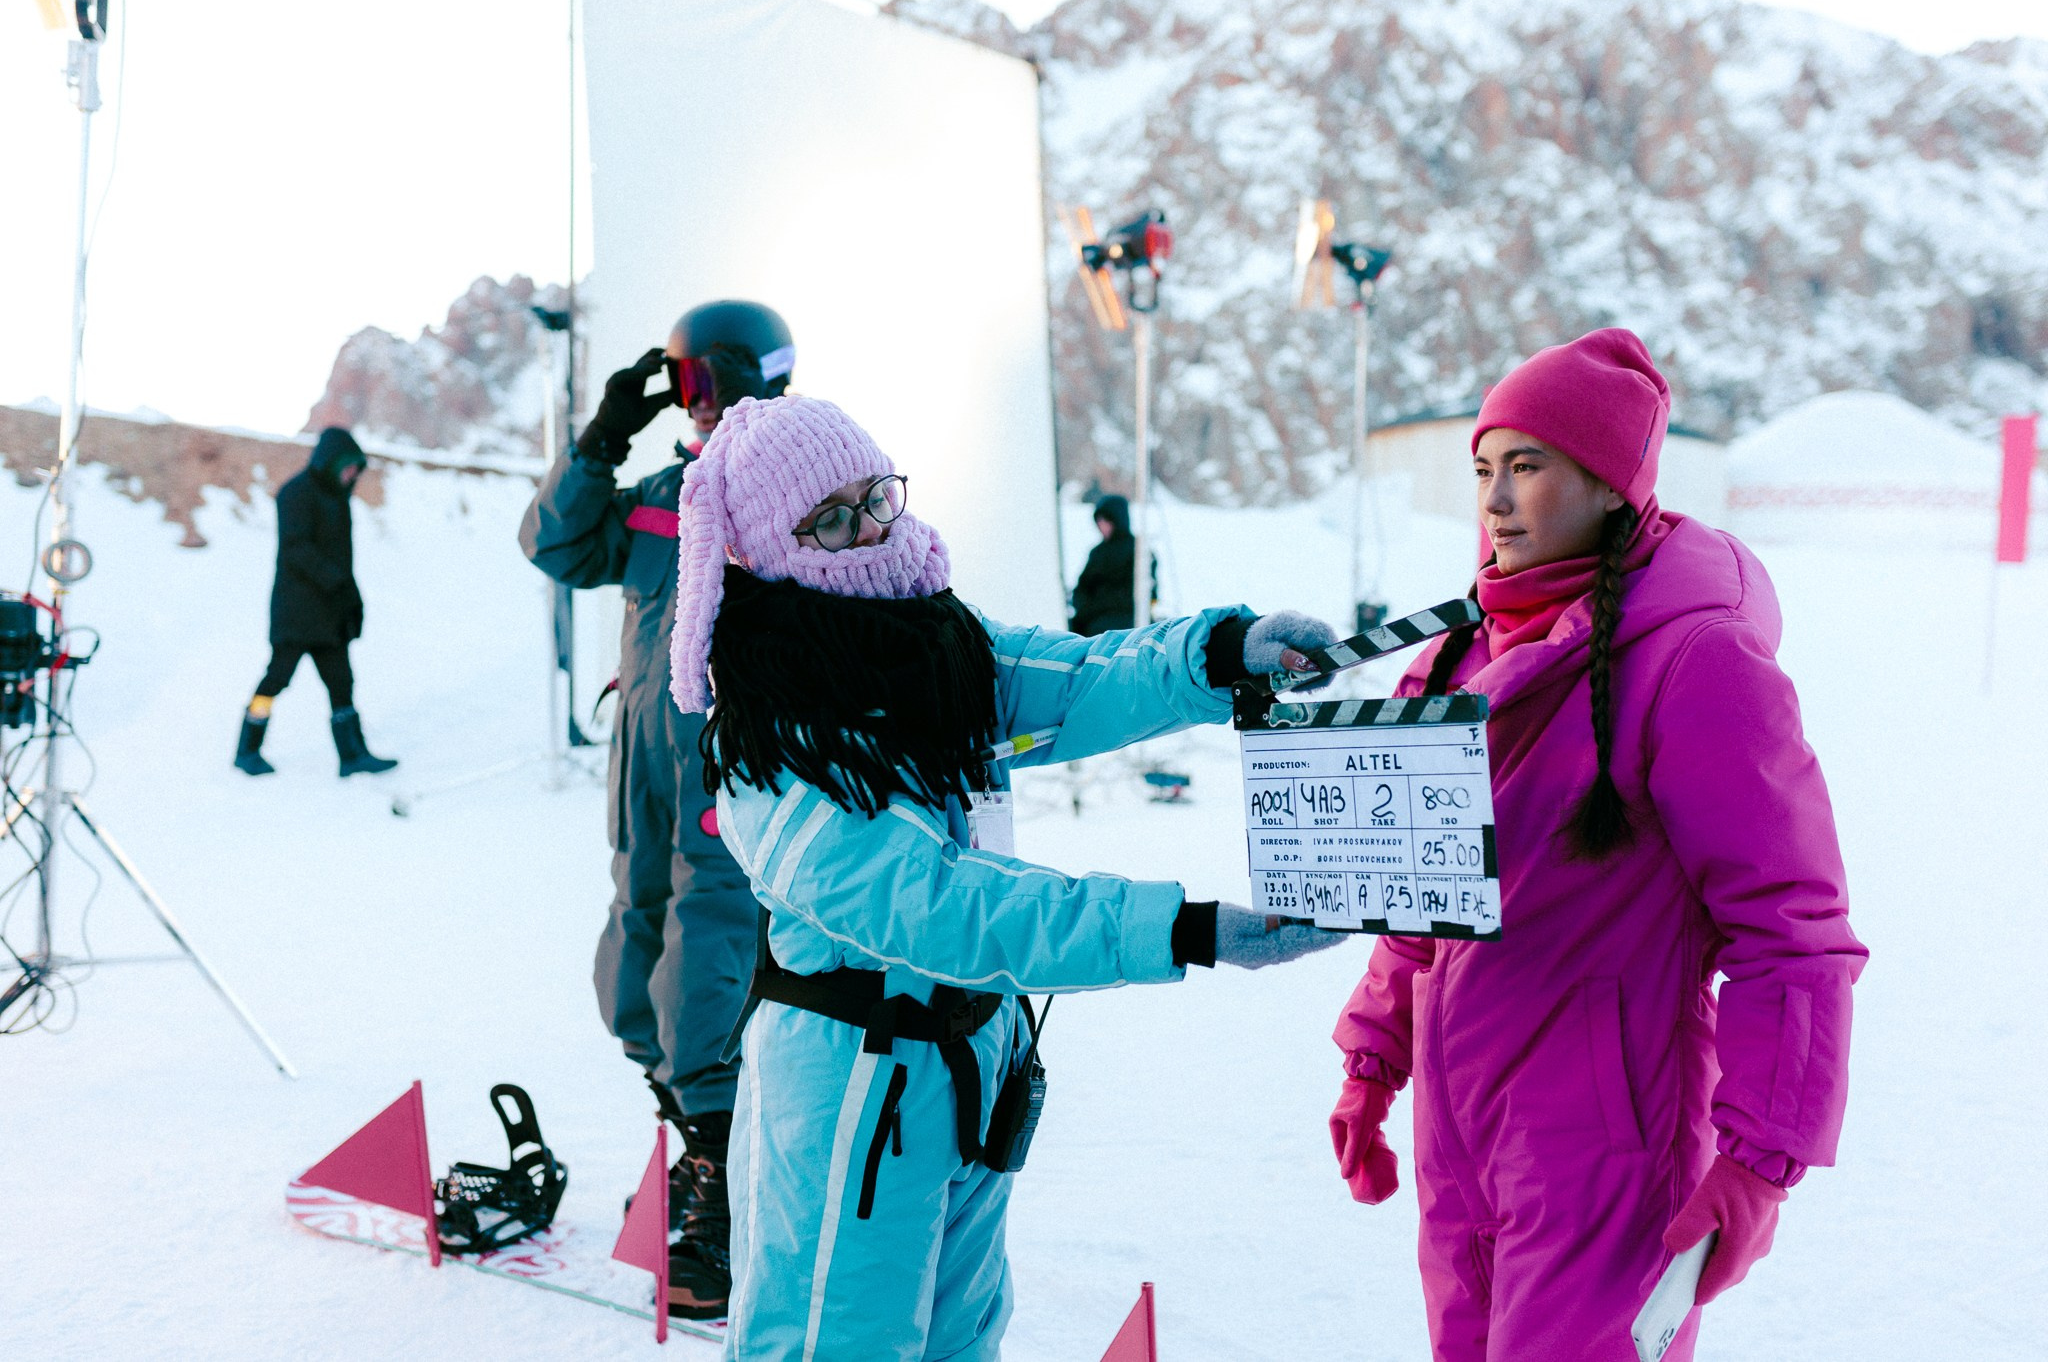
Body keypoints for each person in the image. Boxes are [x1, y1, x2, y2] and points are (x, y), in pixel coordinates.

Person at [666, 394, 1347, 1361]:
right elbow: (943, 908)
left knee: (963, 1341)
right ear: (770, 553)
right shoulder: (771, 749)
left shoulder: (934, 649)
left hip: (970, 1065)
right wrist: (1181, 928)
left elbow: (1075, 679)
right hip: (849, 1099)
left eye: (875, 497)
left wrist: (1220, 654)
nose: (868, 531)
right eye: (829, 519)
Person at [1327, 330, 1867, 1361]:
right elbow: (1420, 896)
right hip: (1462, 1140)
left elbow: (1791, 934)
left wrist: (1759, 1161)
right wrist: (1372, 1050)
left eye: (1526, 466)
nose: (1493, 499)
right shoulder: (1456, 651)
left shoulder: (1695, 662)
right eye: (1483, 468)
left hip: (1604, 1155)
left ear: (1611, 487)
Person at [518, 299, 795, 1319]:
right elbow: (556, 549)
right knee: (634, 944)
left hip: (727, 759)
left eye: (690, 382)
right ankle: (696, 1144)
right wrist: (600, 442)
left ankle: (721, 1181)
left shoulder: (782, 490)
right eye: (672, 386)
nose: (686, 402)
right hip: (643, 757)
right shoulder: (662, 492)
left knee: (711, 941)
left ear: (727, 378)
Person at [235, 427, 397, 778]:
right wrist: (336, 581)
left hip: (330, 613)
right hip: (296, 613)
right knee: (275, 681)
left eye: (357, 468)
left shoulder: (338, 499)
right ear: (331, 461)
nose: (353, 474)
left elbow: (343, 558)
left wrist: (350, 599)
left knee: (342, 682)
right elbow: (296, 549)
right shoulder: (295, 494)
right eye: (348, 467)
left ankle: (353, 755)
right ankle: (247, 749)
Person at [1068, 493, 1152, 635]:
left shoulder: (1139, 551)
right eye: (1099, 521)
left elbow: (1143, 592)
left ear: (1117, 520)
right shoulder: (1098, 553)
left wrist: (1095, 607)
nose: (1102, 526)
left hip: (1125, 622)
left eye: (1106, 520)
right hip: (1092, 620)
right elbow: (1082, 587)